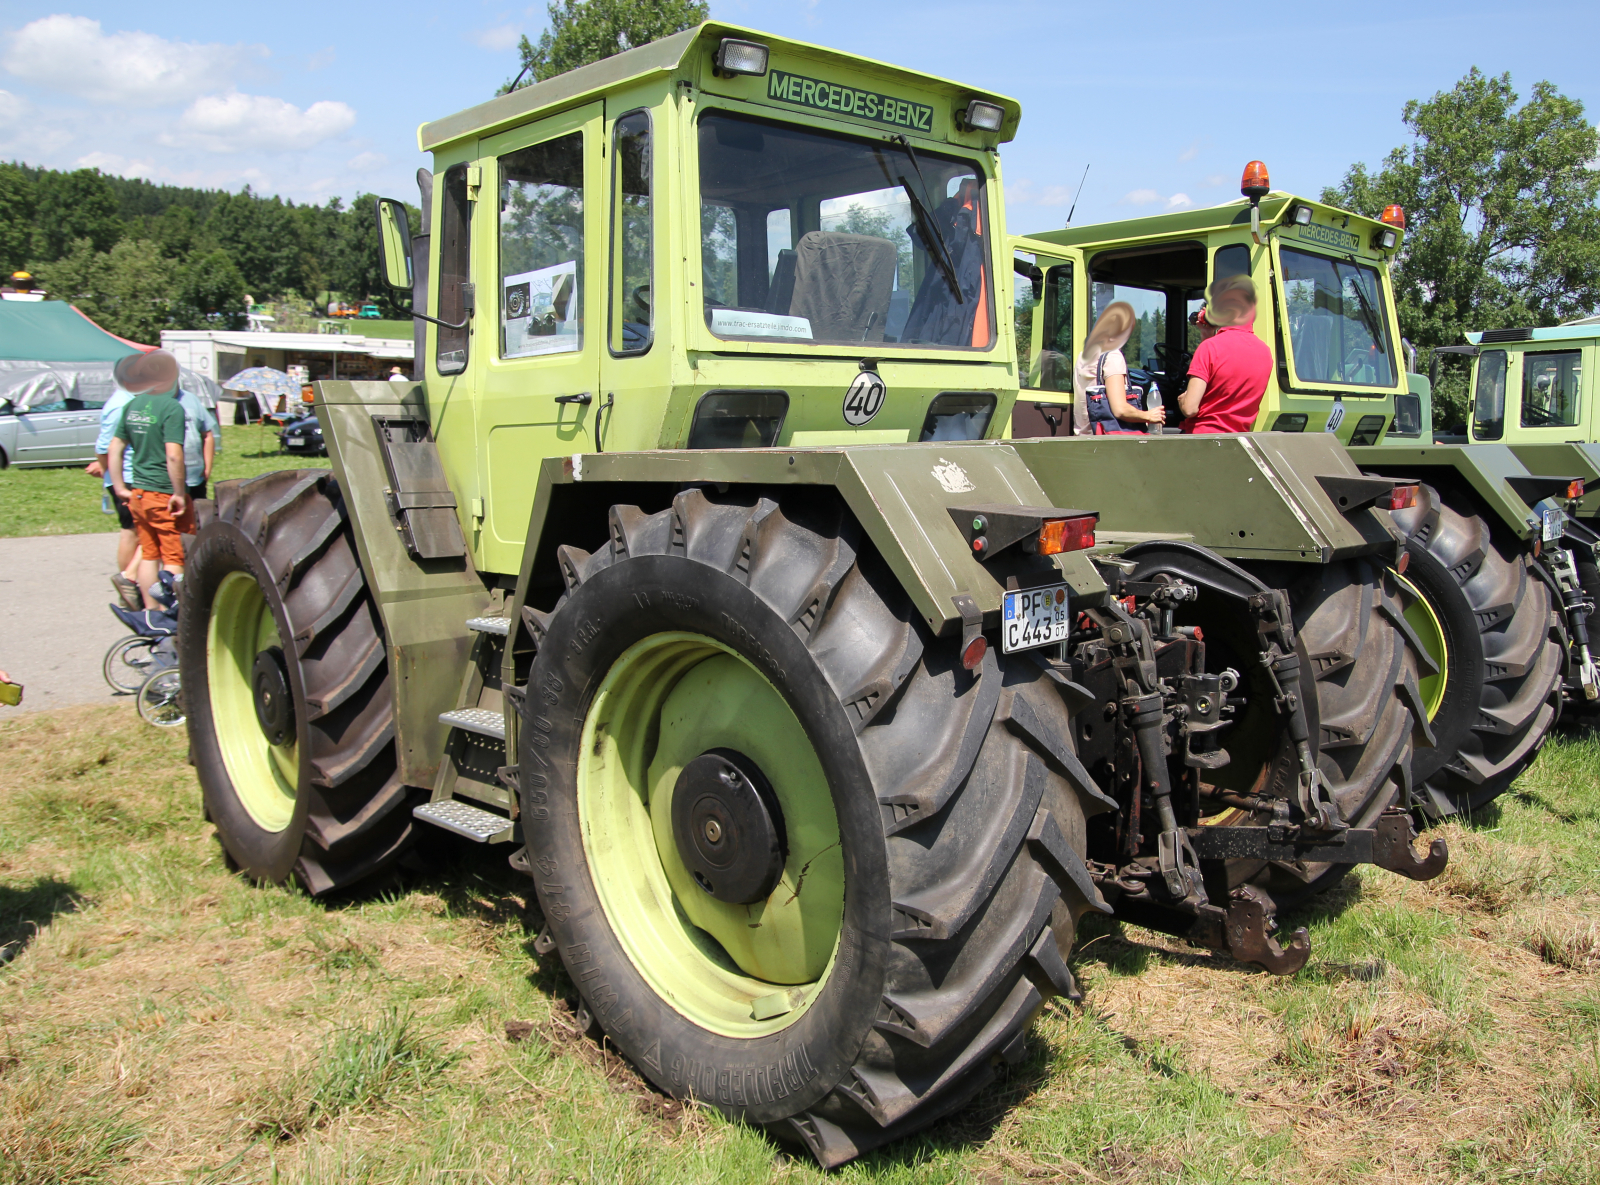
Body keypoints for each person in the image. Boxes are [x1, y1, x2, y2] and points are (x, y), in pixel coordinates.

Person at [106, 351, 191, 611]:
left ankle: (151, 612)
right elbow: (174, 456)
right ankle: (171, 613)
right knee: (173, 555)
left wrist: (120, 486)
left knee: (149, 553)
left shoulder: (133, 405)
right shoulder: (171, 408)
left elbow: (114, 447)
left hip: (139, 493)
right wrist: (178, 492)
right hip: (163, 493)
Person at [1177, 275, 1273, 434]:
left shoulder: (1209, 348)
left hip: (1201, 441)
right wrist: (1207, 334)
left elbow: (1190, 408)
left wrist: (1183, 400)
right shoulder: (1265, 351)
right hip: (1238, 439)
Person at [1075, 301, 1165, 434]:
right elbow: (1120, 409)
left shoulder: (1085, 354)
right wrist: (1149, 416)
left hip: (1086, 435)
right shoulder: (1113, 356)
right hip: (1108, 439)